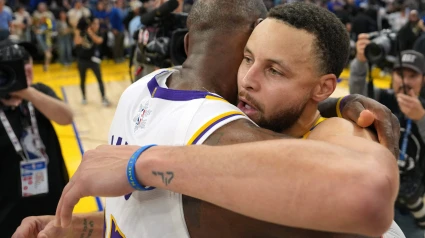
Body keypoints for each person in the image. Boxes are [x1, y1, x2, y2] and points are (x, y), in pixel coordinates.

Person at [13, 1, 401, 238]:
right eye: (247, 58)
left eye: (274, 71)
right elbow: (175, 212)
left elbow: (364, 192)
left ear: (322, 88)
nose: (247, 80)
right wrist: (74, 229)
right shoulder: (246, 130)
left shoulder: (338, 130)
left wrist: (142, 162)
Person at [350, 33, 425, 238]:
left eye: (413, 76)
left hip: (412, 207)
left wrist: (421, 118)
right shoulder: (381, 99)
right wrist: (360, 61)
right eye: (401, 74)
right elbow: (355, 96)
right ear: (392, 75)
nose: (406, 81)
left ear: (423, 79)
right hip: (375, 199)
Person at [0, 39, 73, 237]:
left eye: (27, 61)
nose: (27, 67)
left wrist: (27, 92)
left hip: (51, 196)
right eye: (16, 64)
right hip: (8, 206)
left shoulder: (39, 92)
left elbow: (66, 117)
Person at [74, 16, 110, 106]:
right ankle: (84, 97)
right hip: (82, 60)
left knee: (99, 79)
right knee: (82, 79)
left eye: (98, 24)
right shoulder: (83, 32)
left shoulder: (100, 32)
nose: (97, 25)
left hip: (93, 60)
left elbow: (99, 41)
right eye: (95, 24)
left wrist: (90, 33)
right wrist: (78, 30)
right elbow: (77, 42)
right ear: (91, 24)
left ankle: (103, 97)